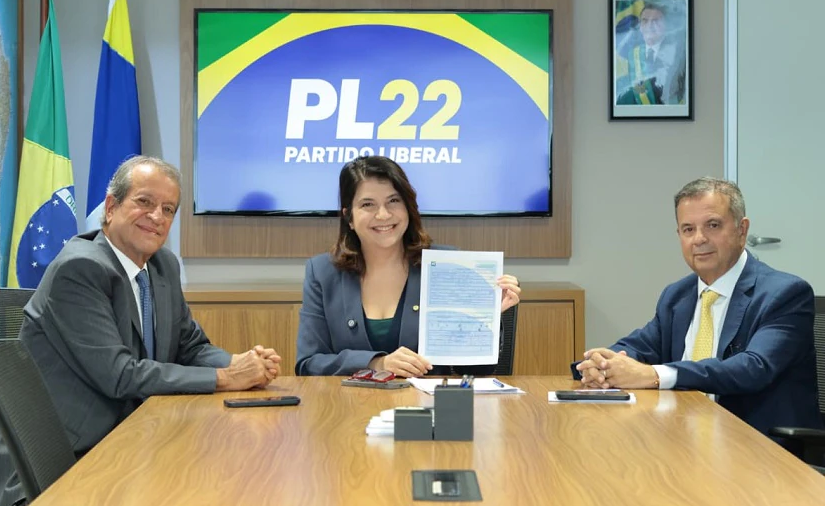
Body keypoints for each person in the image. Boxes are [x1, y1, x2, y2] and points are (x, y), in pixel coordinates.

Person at [0, 156, 282, 506]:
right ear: (111, 207)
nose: (157, 216)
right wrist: (227, 378)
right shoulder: (79, 269)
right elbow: (120, 376)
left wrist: (243, 364)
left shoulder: (162, 265)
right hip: (58, 461)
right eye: (144, 202)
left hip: (129, 439)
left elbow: (190, 346)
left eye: (168, 209)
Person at [575, 177, 821, 438]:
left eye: (713, 225)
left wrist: (655, 375)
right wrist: (602, 365)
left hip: (758, 445)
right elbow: (639, 346)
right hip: (683, 436)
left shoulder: (784, 294)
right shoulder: (677, 295)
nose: (699, 239)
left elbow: (753, 368)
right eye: (688, 229)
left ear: (742, 230)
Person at [295, 156, 521, 377]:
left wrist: (486, 317)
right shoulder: (322, 272)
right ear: (349, 217)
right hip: (347, 401)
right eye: (367, 204)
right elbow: (309, 363)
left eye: (394, 201)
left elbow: (475, 371)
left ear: (409, 207)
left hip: (428, 401)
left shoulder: (447, 266)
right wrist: (377, 363)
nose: (383, 214)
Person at [615, 1, 686, 106]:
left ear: (665, 25)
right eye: (645, 21)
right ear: (640, 27)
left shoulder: (678, 54)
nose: (650, 26)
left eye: (655, 21)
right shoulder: (632, 56)